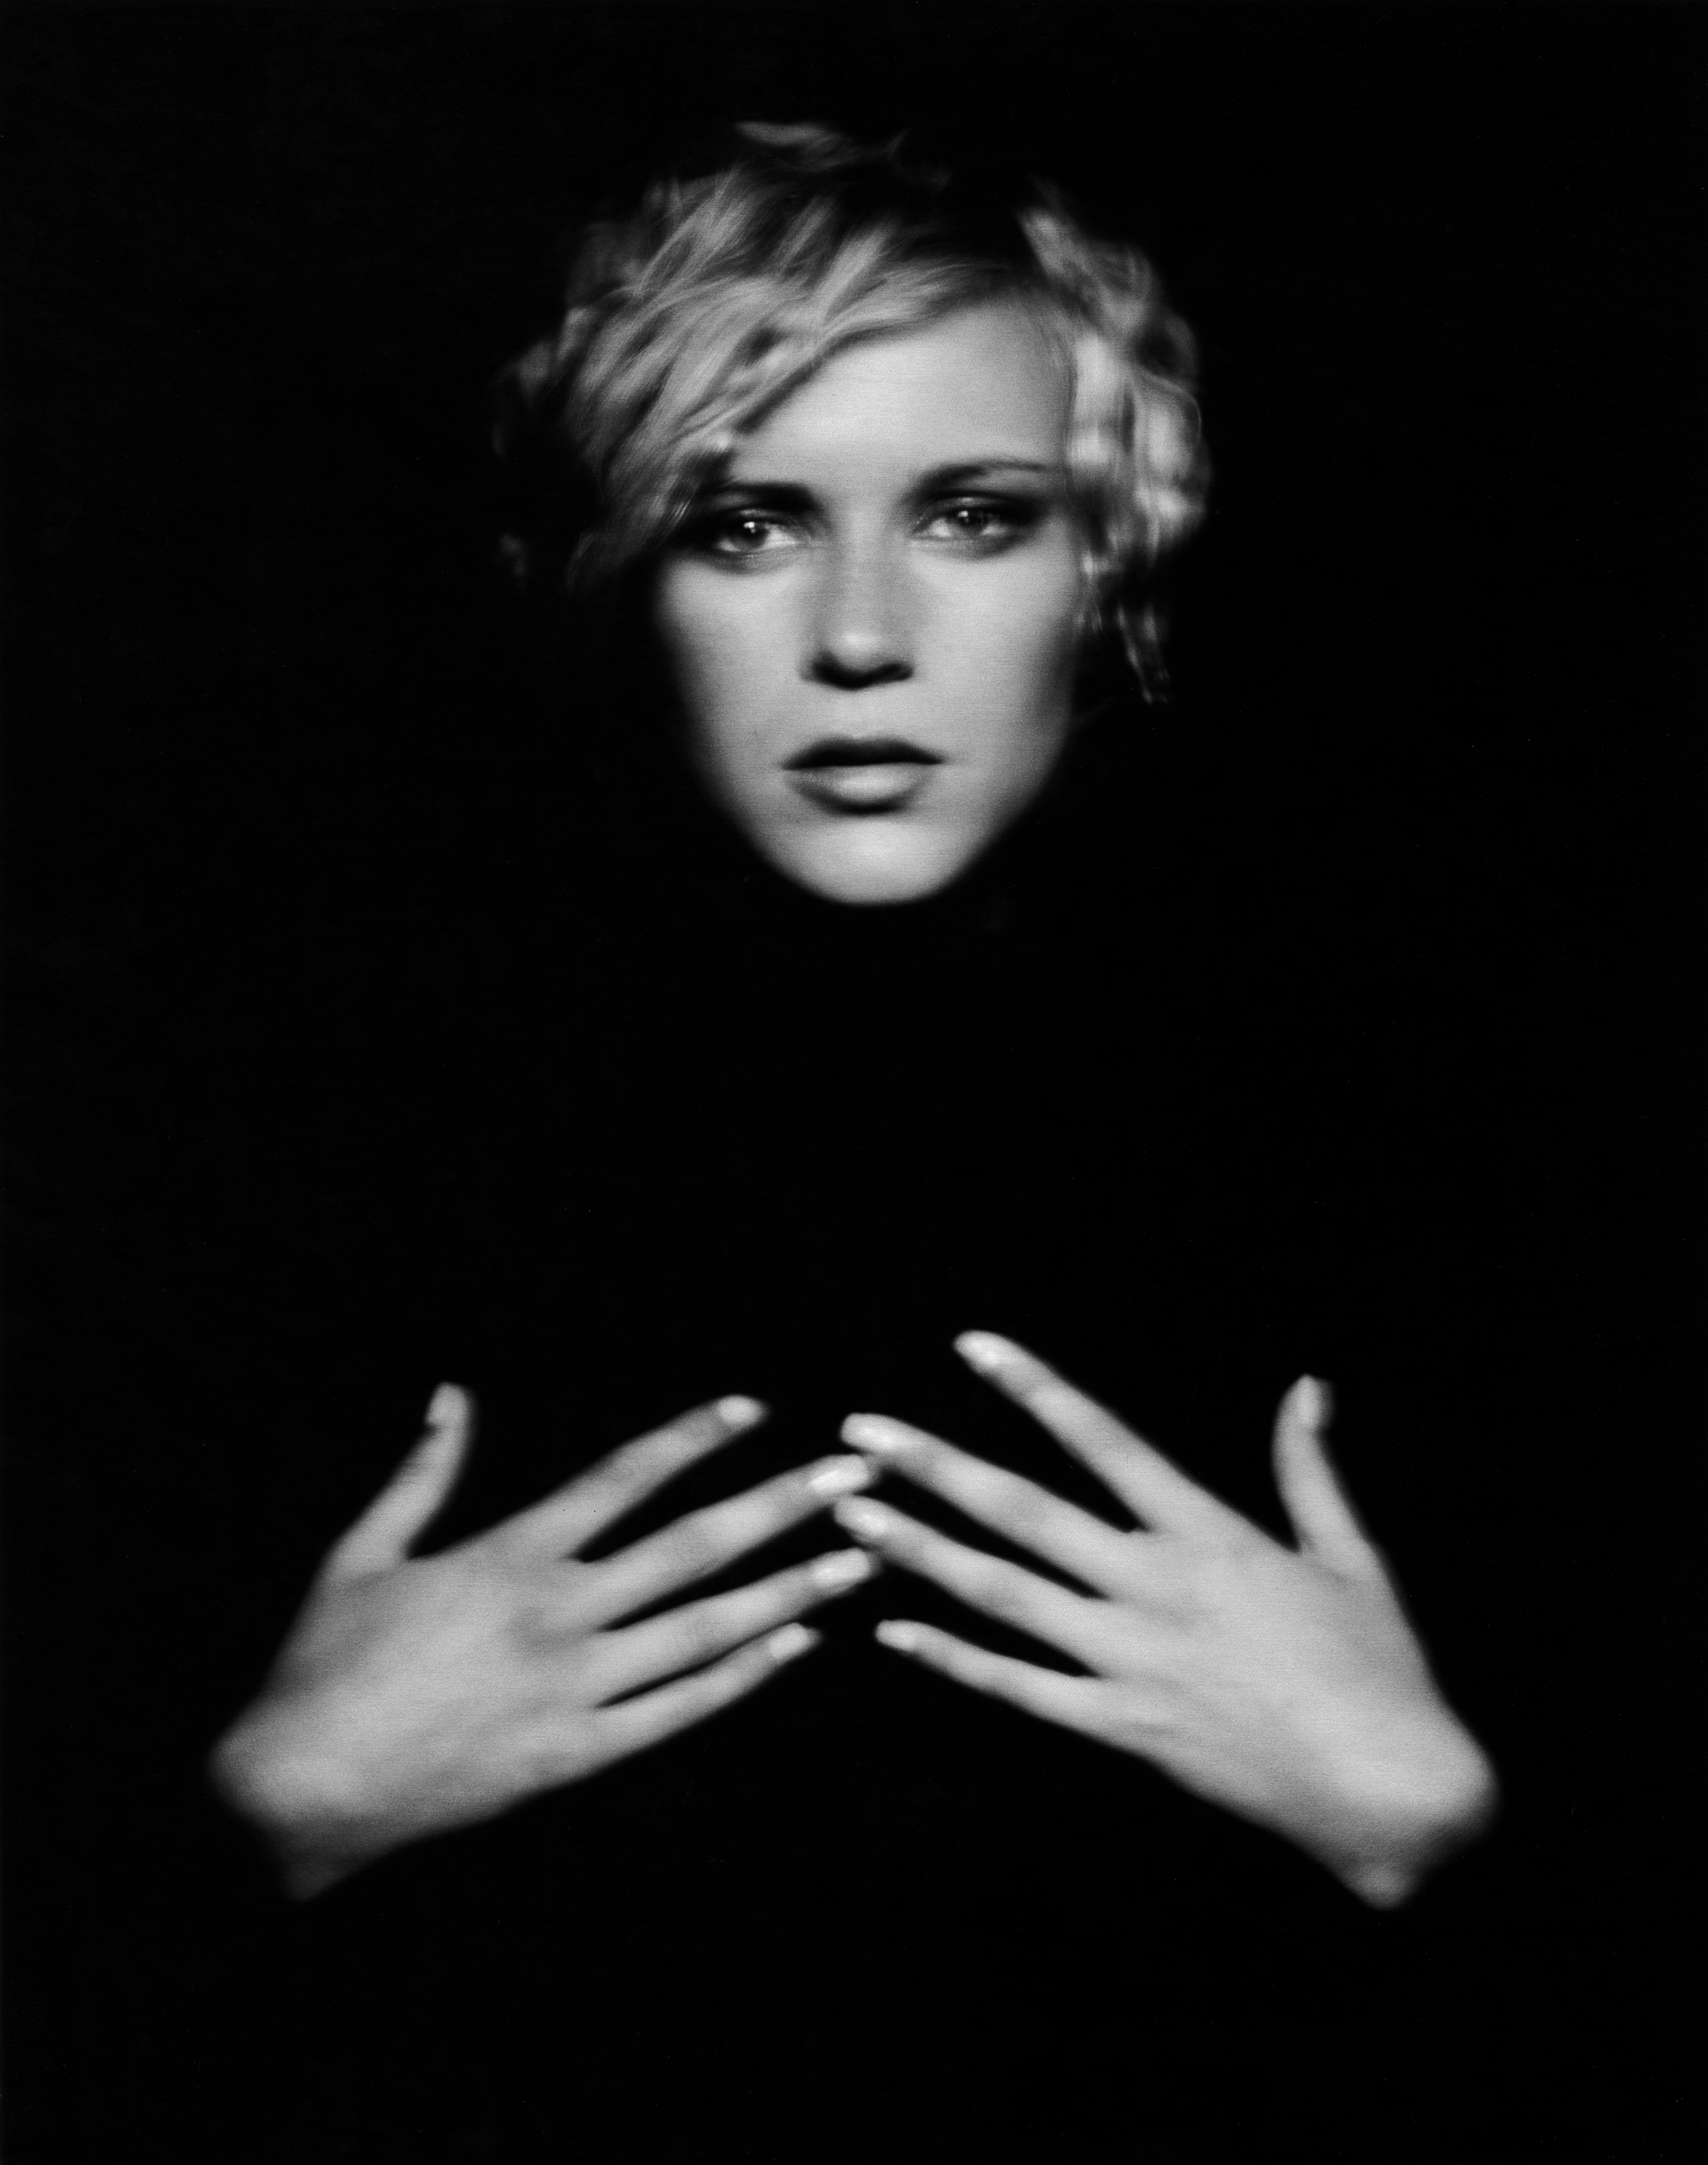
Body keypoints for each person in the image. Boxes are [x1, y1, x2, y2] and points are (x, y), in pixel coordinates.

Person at [201, 124, 1520, 2159]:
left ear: (1112, 561)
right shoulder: (296, 1177)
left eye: (974, 515)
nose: (859, 635)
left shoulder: (1422, 1173)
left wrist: (1421, 1821)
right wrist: (269, 1818)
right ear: (614, 566)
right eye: (743, 524)